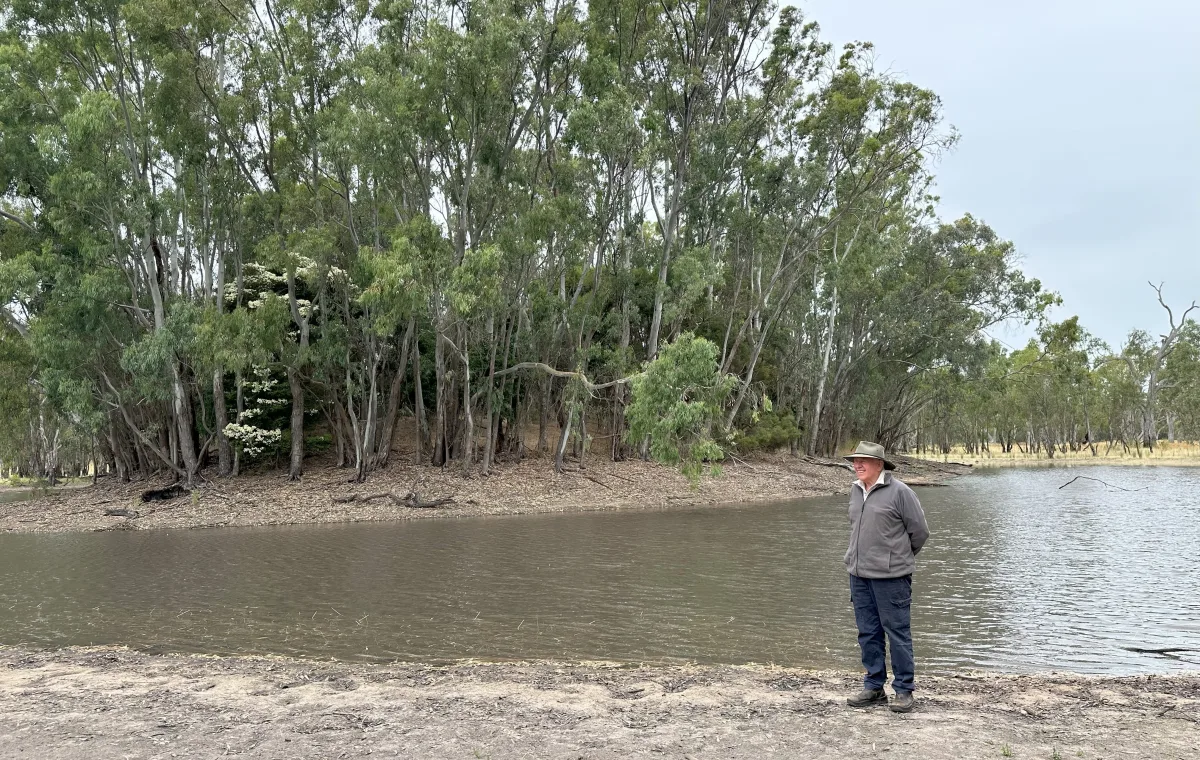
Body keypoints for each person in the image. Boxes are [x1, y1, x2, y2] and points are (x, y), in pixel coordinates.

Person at [841, 441, 929, 713]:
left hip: (892, 578)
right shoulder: (856, 490)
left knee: (897, 633)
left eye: (863, 460)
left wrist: (896, 559)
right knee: (868, 632)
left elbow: (920, 532)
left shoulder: (901, 492)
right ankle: (874, 687)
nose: (857, 465)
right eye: (855, 461)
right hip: (858, 575)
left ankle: (903, 690)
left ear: (879, 464)